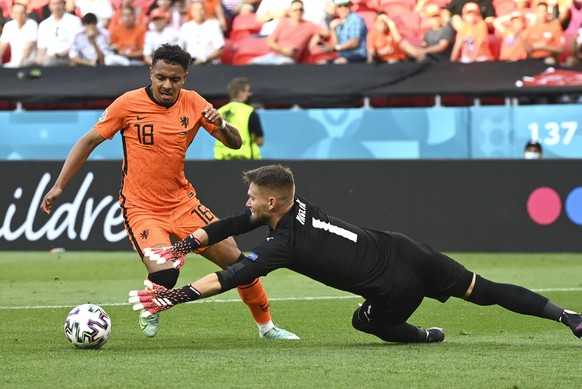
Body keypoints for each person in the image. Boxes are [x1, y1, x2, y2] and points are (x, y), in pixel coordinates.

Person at [130, 164, 582, 344]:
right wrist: (187, 244)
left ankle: (425, 337)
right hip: (408, 249)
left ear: (272, 202)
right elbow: (230, 224)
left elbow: (233, 275)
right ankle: (569, 318)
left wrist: (176, 295)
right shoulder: (291, 208)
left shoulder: (284, 242)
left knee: (364, 321)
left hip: (394, 288)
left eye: (252, 197)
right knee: (483, 289)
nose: (246, 202)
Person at [40, 44, 298, 341]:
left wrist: (223, 125)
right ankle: (152, 304)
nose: (166, 85)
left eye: (174, 79)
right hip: (141, 207)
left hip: (183, 203)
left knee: (241, 265)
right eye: (160, 77)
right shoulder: (127, 104)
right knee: (166, 273)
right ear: (151, 72)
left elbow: (235, 143)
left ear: (184, 78)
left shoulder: (193, 103)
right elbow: (87, 142)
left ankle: (267, 328)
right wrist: (60, 185)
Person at [249, 0, 329, 65]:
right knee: (252, 64)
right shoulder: (283, 22)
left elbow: (325, 32)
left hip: (288, 59)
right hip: (274, 55)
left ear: (303, 11)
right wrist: (283, 50)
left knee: (284, 65)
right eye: (295, 10)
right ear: (290, 11)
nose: (297, 12)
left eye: (300, 10)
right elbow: (270, 41)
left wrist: (317, 36)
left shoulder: (309, 25)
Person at [214, 77, 264, 160]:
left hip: (221, 159)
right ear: (241, 92)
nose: (249, 94)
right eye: (247, 91)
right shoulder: (249, 112)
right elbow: (259, 141)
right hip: (245, 161)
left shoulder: (219, 112)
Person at [35, 0, 82, 66]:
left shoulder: (74, 21)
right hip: (48, 57)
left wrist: (55, 56)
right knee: (28, 64)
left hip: (68, 57)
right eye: (54, 4)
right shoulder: (44, 24)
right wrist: (40, 57)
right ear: (49, 6)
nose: (57, 7)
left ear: (63, 4)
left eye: (59, 4)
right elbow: (41, 48)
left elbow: (76, 45)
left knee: (48, 63)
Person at [179, 0, 224, 65]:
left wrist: (203, 59)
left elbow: (220, 50)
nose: (199, 12)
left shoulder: (214, 25)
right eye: (196, 10)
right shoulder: (186, 27)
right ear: (191, 12)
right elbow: (180, 48)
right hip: (191, 63)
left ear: (205, 11)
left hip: (209, 63)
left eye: (201, 9)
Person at [522, 0, 565, 64]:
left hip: (548, 57)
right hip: (533, 59)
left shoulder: (555, 26)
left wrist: (544, 47)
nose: (542, 14)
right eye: (540, 11)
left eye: (544, 11)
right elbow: (527, 48)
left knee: (549, 61)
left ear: (547, 12)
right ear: (536, 12)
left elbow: (560, 49)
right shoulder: (531, 26)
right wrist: (533, 47)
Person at [0, 2, 37, 67]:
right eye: (16, 13)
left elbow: (29, 47)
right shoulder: (8, 25)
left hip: (29, 63)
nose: (19, 16)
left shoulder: (32, 24)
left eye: (21, 13)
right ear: (12, 14)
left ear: (26, 13)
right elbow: (2, 46)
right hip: (13, 63)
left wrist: (20, 64)